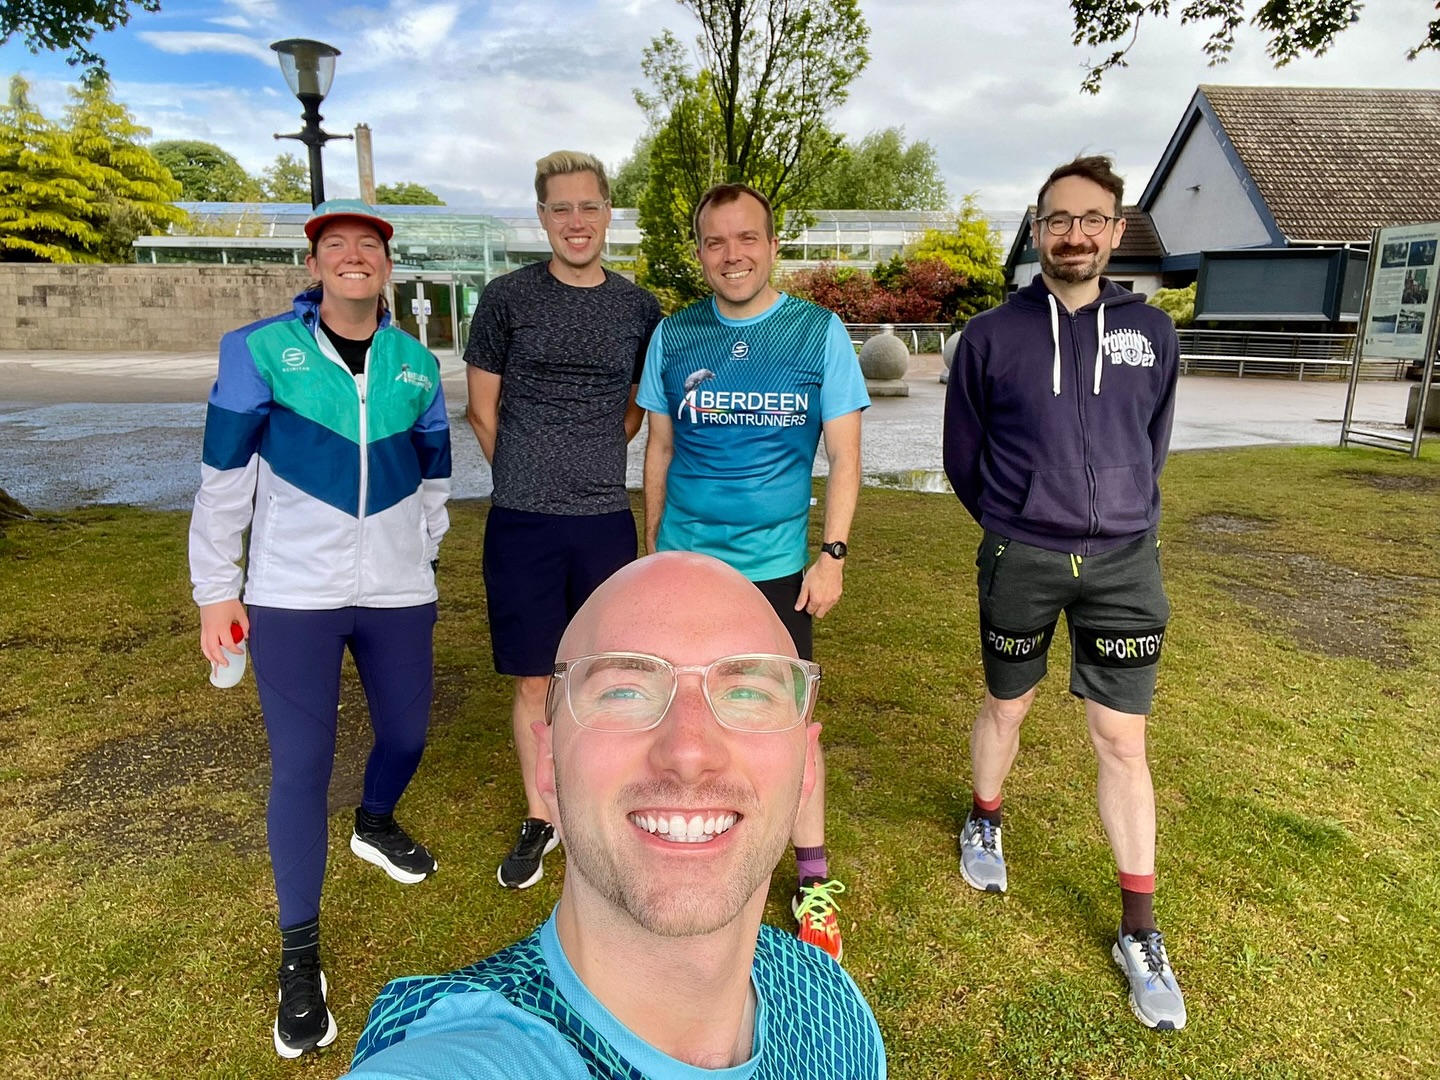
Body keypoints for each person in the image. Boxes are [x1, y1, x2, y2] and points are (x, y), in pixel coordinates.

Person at [344, 552, 886, 1078]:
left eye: (746, 691)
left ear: (806, 768)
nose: (689, 752)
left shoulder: (837, 1012)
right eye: (626, 691)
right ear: (549, 766)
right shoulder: (473, 1051)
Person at [189, 199, 451, 1058]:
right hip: (292, 595)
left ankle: (374, 820)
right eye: (334, 244)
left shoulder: (416, 365)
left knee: (408, 733)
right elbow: (223, 481)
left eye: (367, 245)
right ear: (315, 266)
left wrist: (419, 555)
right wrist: (215, 591)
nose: (351, 255)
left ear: (386, 266)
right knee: (301, 766)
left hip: (398, 591)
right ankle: (299, 956)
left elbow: (436, 481)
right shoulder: (259, 350)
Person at [942, 156, 1186, 1030]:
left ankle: (1139, 926)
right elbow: (962, 459)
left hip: (1124, 563)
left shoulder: (1153, 332)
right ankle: (984, 817)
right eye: (1057, 219)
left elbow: (1151, 443)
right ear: (1037, 228)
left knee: (1122, 740)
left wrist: (1116, 511)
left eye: (1091, 219)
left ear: (1116, 232)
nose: (1074, 233)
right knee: (1008, 705)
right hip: (1023, 555)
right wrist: (1016, 521)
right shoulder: (989, 337)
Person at [637, 183, 868, 962]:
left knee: (790, 726)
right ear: (699, 251)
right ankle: (682, 855)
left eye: (747, 239)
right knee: (680, 717)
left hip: (776, 571)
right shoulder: (675, 334)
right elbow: (659, 451)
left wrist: (830, 554)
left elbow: (844, 456)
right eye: (714, 241)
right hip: (685, 561)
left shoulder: (817, 333)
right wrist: (652, 556)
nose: (731, 254)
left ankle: (811, 880)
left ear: (772, 246)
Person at [464, 150, 661, 891]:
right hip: (522, 522)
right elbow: (483, 411)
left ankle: (604, 804)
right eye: (559, 208)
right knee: (533, 682)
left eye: (588, 206)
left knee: (606, 674)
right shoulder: (507, 299)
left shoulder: (639, 308)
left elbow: (640, 406)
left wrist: (597, 451)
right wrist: (524, 472)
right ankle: (542, 816)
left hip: (604, 519)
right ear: (541, 216)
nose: (575, 222)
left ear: (608, 213)